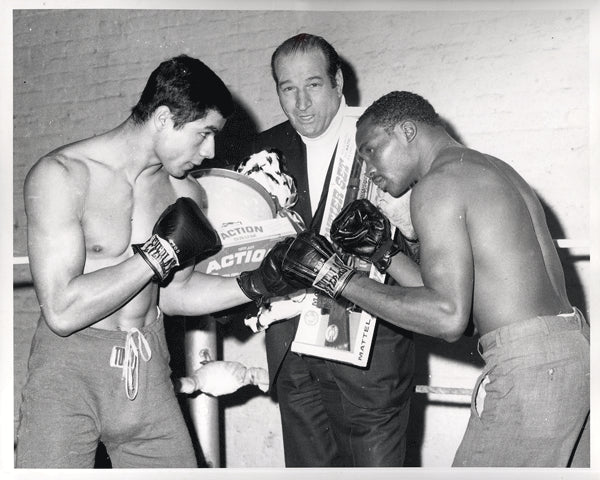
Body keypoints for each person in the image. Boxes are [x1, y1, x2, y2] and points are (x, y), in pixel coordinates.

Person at [279, 90, 590, 467]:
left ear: (407, 130)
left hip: (531, 369)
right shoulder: (492, 170)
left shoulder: (436, 185)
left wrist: (336, 278)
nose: (368, 170)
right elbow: (470, 312)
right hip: (571, 353)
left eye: (371, 150)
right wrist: (386, 255)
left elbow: (447, 318)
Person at [16, 54, 293, 468]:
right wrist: (156, 255)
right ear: (163, 118)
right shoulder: (62, 176)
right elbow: (61, 309)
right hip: (69, 370)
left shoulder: (186, 194)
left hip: (148, 365)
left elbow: (175, 294)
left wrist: (256, 284)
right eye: (203, 134)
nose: (210, 149)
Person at [247, 34, 415, 467]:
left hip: (369, 346)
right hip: (292, 348)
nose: (301, 102)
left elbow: (426, 238)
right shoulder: (262, 151)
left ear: (338, 82)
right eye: (288, 88)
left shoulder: (379, 136)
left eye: (314, 84)